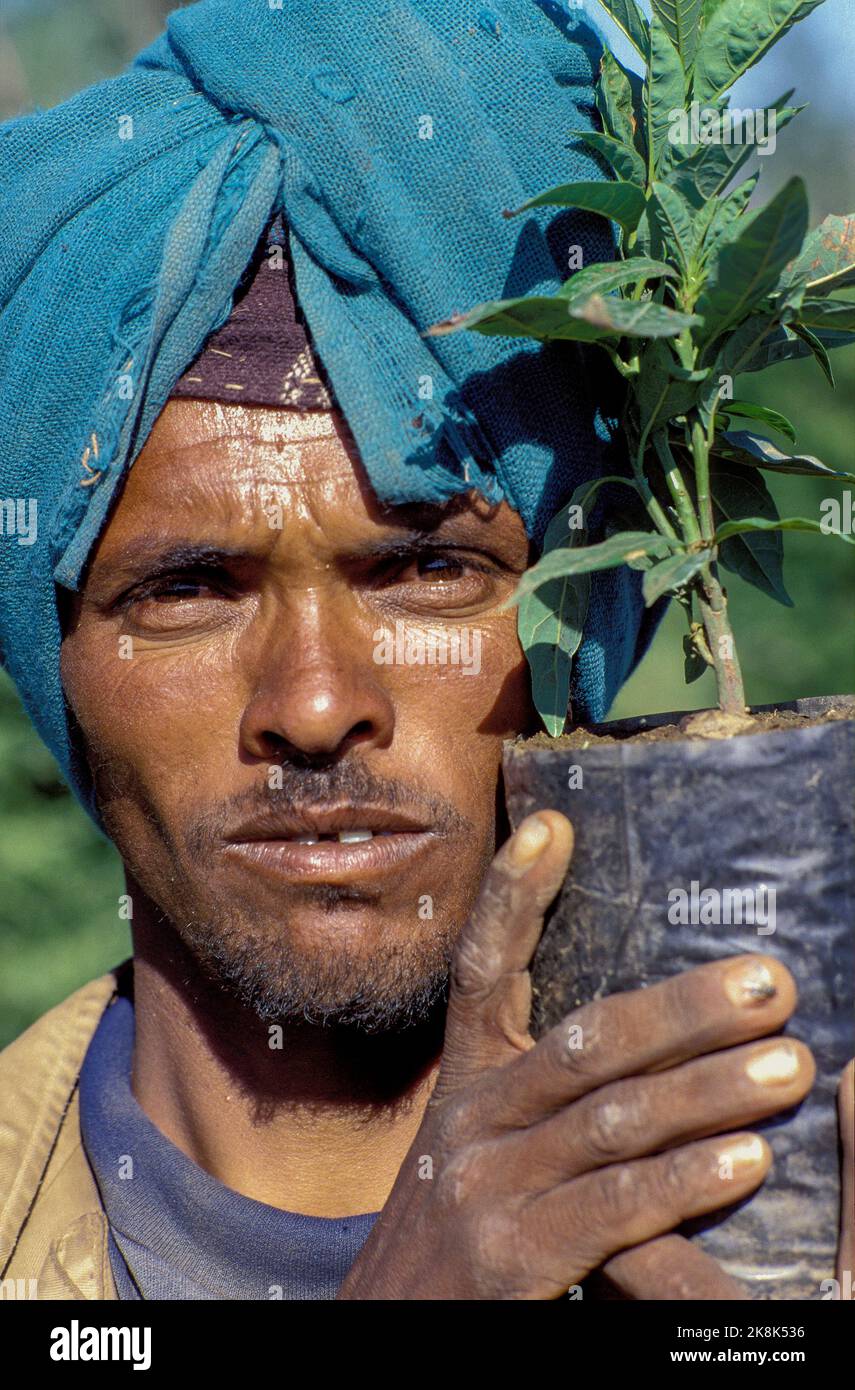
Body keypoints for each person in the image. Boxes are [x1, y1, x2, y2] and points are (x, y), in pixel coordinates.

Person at [0, 0, 850, 1301]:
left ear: (583, 599)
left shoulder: (794, 1231)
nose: (318, 703)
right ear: (50, 645)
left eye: (426, 569)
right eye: (188, 587)